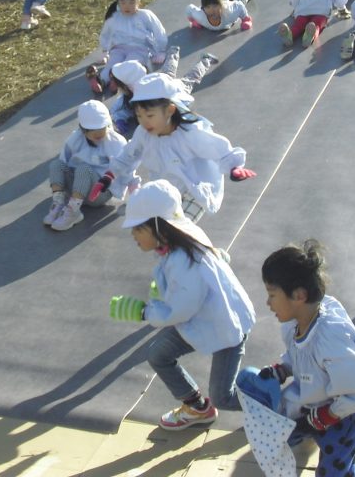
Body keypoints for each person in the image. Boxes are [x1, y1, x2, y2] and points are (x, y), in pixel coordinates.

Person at [234, 241, 355, 477]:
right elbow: (299, 357)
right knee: (280, 432)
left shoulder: (331, 339)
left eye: (272, 295)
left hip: (343, 414)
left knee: (334, 474)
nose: (268, 303)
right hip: (310, 403)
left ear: (299, 295)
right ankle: (308, 433)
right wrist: (281, 370)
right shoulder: (295, 322)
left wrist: (326, 417)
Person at [109, 180, 256, 429]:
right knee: (159, 354)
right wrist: (165, 288)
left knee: (224, 396)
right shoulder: (183, 238)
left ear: (158, 226)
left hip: (225, 326)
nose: (132, 234)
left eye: (137, 228)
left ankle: (276, 403)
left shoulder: (183, 261)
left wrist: (144, 311)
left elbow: (179, 310)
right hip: (203, 320)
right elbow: (218, 256)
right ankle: (198, 408)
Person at [89, 73, 255, 222]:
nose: (144, 121)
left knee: (180, 228)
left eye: (150, 115)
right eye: (139, 116)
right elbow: (129, 154)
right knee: (161, 230)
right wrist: (109, 175)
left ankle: (199, 250)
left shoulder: (190, 133)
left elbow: (218, 147)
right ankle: (181, 248)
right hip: (167, 187)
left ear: (169, 110)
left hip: (195, 188)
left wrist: (234, 167)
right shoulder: (144, 133)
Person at [44, 100, 127, 231]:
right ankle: (59, 203)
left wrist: (132, 189)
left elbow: (126, 166)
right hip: (75, 190)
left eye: (102, 127)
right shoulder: (75, 139)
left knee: (84, 169)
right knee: (56, 164)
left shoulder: (115, 142)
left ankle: (73, 212)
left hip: (99, 193)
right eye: (92, 129)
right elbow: (64, 160)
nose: (98, 133)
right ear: (82, 129)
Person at [86, 0, 168, 95]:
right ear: (118, 3)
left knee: (130, 64)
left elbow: (159, 31)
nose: (127, 6)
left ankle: (117, 79)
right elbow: (106, 33)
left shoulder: (145, 15)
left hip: (140, 49)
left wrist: (160, 51)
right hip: (119, 48)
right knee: (112, 63)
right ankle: (102, 81)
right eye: (123, 3)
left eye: (131, 2)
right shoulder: (116, 17)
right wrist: (105, 50)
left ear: (138, 2)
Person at [187, 0, 256, 32]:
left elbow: (240, 6)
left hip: (225, 6)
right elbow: (189, 9)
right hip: (220, 3)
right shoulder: (200, 16)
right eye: (208, 7)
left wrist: (245, 19)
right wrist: (193, 21)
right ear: (203, 8)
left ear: (220, 5)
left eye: (215, 6)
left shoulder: (230, 12)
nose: (212, 10)